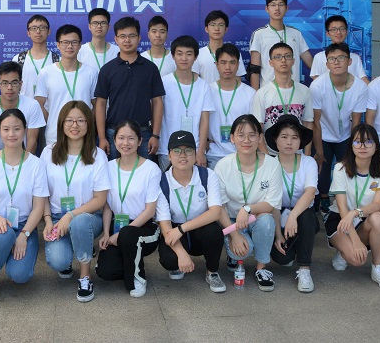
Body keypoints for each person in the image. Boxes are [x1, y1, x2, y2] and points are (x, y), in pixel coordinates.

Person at [0, 109, 49, 307]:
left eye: (17, 129)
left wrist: (24, 235)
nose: (11, 134)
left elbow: (38, 207)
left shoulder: (36, 164)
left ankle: (5, 250)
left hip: (25, 226)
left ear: (25, 130)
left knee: (20, 275)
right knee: (4, 233)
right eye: (6, 129)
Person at [41, 101, 109, 302]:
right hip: (56, 217)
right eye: (69, 120)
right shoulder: (48, 152)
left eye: (81, 120)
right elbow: (41, 193)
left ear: (88, 124)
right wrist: (48, 220)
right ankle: (73, 249)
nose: (75, 125)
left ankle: (85, 276)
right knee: (58, 262)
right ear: (61, 124)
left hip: (88, 217)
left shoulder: (97, 155)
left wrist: (70, 216)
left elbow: (100, 199)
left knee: (79, 223)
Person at [215, 114, 282, 292]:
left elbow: (271, 203)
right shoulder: (223, 166)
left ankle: (261, 269)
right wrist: (235, 236)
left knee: (267, 220)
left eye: (252, 135)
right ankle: (234, 253)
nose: (246, 140)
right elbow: (219, 207)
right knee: (243, 250)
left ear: (260, 138)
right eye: (241, 135)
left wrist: (247, 209)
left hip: (257, 216)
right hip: (231, 221)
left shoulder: (272, 164)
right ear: (232, 138)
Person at [324, 124, 380, 290]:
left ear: (376, 146)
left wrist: (355, 212)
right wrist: (355, 241)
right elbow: (343, 209)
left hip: (364, 218)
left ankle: (377, 268)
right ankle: (343, 251)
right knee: (357, 260)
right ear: (351, 146)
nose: (363, 146)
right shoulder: (340, 168)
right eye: (357, 142)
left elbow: (377, 204)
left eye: (368, 141)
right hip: (340, 219)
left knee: (378, 217)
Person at [96, 121, 162, 298]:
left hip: (144, 227)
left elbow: (150, 211)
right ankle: (129, 261)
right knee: (105, 272)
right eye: (121, 138)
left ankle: (137, 277)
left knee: (128, 236)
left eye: (131, 138)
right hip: (117, 224)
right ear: (114, 141)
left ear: (140, 141)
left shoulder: (151, 169)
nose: (125, 143)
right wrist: (106, 233)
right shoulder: (108, 167)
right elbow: (107, 205)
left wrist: (121, 234)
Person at [156, 131, 226, 293]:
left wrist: (182, 229)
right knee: (169, 259)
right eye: (177, 151)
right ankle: (179, 263)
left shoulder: (208, 175)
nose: (183, 155)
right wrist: (181, 253)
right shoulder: (162, 182)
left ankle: (212, 272)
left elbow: (216, 212)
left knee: (214, 232)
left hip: (200, 227)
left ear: (195, 155)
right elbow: (165, 226)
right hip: (174, 230)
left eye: (188, 150)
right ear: (169, 156)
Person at [94, 17, 165, 160]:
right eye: (122, 36)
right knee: (113, 172)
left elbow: (157, 102)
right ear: (116, 39)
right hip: (114, 133)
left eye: (132, 36)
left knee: (145, 171)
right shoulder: (107, 69)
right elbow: (100, 104)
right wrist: (102, 138)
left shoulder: (150, 68)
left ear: (139, 38)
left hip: (143, 132)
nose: (127, 40)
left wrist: (155, 135)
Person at [310, 43, 368, 213]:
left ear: (349, 61)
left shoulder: (360, 87)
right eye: (332, 59)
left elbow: (356, 121)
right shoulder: (318, 86)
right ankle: (323, 199)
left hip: (346, 134)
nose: (336, 62)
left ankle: (346, 203)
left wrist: (353, 147)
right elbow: (315, 121)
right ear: (326, 64)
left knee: (348, 168)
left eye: (341, 58)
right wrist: (319, 151)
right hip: (323, 133)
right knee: (322, 167)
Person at [264, 116, 319, 292]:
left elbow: (310, 193)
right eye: (284, 137)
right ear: (275, 139)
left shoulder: (308, 162)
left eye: (294, 137)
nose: (289, 142)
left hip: (301, 215)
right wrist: (278, 233)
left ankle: (304, 269)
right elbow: (270, 202)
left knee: (307, 216)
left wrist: (293, 216)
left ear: (300, 141)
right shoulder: (269, 164)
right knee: (282, 259)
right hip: (277, 214)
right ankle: (296, 246)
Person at [35, 24, 98, 146]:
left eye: (74, 42)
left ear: (80, 45)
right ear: (58, 45)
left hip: (83, 135)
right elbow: (39, 103)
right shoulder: (46, 73)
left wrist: (86, 121)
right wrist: (53, 120)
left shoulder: (91, 73)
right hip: (54, 135)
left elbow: (97, 105)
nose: (70, 46)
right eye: (65, 42)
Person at [157, 35, 215, 170]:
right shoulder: (164, 83)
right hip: (167, 149)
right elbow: (157, 113)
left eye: (189, 54)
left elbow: (205, 120)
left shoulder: (203, 86)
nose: (184, 58)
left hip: (193, 150)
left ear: (195, 57)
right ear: (173, 56)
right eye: (179, 54)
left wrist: (201, 151)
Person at [251, 42, 314, 154]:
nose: (283, 60)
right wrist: (267, 158)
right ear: (271, 62)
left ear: (293, 61)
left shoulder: (304, 91)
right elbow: (257, 129)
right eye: (278, 57)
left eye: (287, 56)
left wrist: (307, 154)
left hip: (297, 154)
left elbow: (308, 123)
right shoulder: (262, 93)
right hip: (271, 154)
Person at [0, 62, 46, 156]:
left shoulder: (32, 105)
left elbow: (32, 142)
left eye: (14, 83)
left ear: (20, 84)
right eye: (5, 83)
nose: (9, 87)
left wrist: (25, 163)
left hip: (25, 158)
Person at [249, 0, 312, 90]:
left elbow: (311, 64)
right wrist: (255, 95)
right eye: (273, 5)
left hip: (294, 91)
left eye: (281, 4)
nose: (277, 8)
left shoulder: (296, 34)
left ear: (287, 8)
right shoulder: (259, 34)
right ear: (266, 9)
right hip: (269, 92)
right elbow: (254, 69)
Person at [206, 43, 256, 170]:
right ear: (216, 65)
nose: (227, 67)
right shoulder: (207, 91)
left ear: (238, 65)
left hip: (242, 155)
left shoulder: (250, 93)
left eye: (232, 62)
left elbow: (255, 127)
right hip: (214, 155)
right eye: (223, 62)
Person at [309, 15, 370, 84]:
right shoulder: (319, 57)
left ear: (347, 32)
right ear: (327, 34)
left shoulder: (355, 58)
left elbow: (363, 80)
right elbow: (316, 81)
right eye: (334, 29)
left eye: (342, 29)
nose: (338, 32)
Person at [192, 10, 246, 83]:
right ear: (206, 29)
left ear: (226, 29)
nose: (217, 29)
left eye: (221, 25)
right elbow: (194, 82)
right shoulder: (198, 54)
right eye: (213, 25)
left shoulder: (234, 53)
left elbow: (238, 81)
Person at [14, 14, 59, 99]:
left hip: (50, 107)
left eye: (42, 27)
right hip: (25, 107)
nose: (38, 31)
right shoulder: (19, 59)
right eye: (34, 28)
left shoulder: (57, 60)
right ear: (28, 33)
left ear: (49, 31)